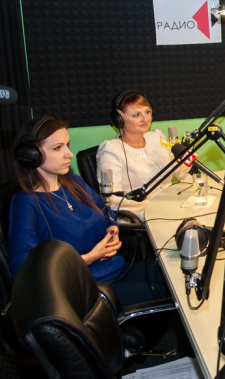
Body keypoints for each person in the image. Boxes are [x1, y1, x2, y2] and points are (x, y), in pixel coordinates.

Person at [8, 116, 169, 305]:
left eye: (67, 145)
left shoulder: (73, 182)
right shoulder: (26, 203)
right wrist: (89, 258)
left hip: (117, 269)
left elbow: (105, 212)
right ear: (30, 155)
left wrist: (113, 229)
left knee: (177, 274)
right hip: (88, 288)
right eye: (57, 148)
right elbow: (23, 269)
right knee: (170, 291)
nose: (69, 154)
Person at [97, 91, 190, 221]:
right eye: (136, 115)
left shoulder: (156, 137)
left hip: (172, 204)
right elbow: (113, 199)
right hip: (141, 215)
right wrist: (158, 208)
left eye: (147, 112)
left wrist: (196, 185)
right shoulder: (111, 149)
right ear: (120, 120)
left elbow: (179, 171)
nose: (145, 119)